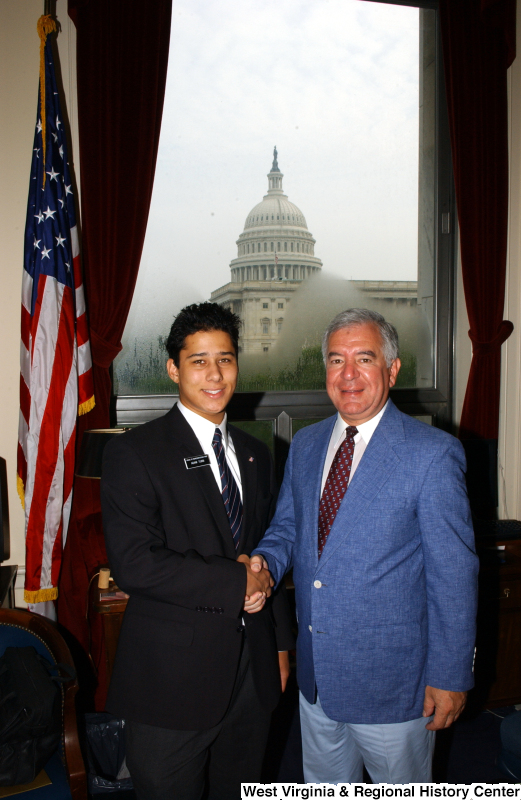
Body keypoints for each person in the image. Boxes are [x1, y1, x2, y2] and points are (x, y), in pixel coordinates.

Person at [247, 308, 478, 784]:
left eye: (364, 358)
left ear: (391, 370)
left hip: (396, 688)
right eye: (335, 360)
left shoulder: (432, 454)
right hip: (316, 684)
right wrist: (263, 563)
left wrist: (452, 675)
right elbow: (287, 529)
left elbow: (454, 574)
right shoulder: (306, 445)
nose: (348, 374)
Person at [101, 302, 294, 800]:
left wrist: (278, 643)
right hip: (172, 682)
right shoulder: (135, 451)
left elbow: (270, 550)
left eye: (225, 360)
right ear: (174, 368)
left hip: (252, 675)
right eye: (199, 361)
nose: (215, 374)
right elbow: (135, 563)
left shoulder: (255, 454)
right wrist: (236, 583)